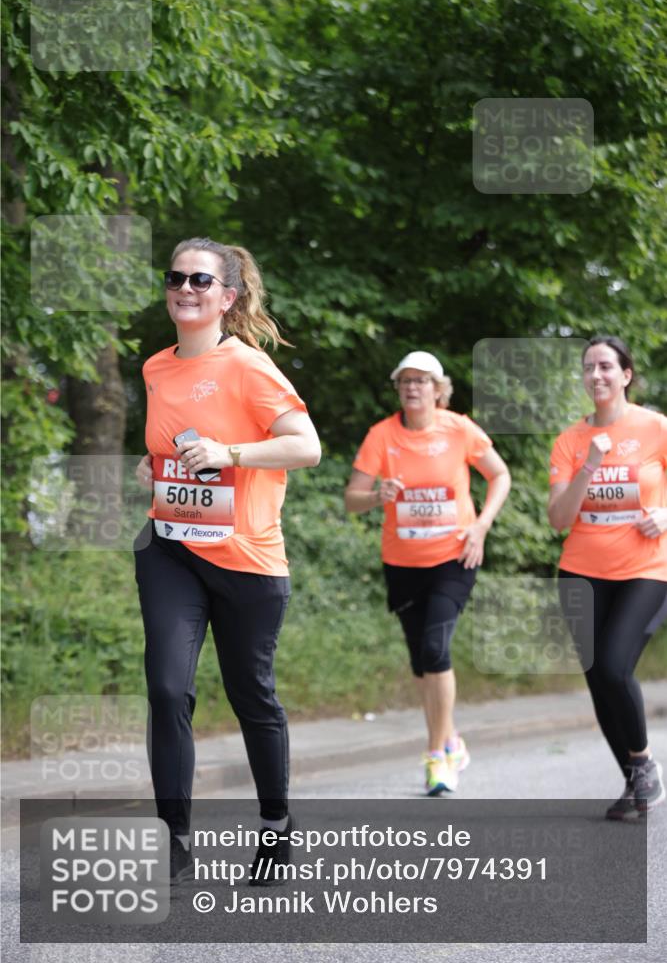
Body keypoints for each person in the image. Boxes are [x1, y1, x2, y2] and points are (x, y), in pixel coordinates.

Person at [134, 237, 320, 882]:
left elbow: (306, 446)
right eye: (176, 277)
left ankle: (275, 828)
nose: (185, 289)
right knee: (166, 688)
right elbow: (164, 447)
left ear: (227, 297)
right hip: (171, 550)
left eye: (201, 281)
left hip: (247, 560)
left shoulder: (248, 366)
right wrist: (152, 468)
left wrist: (229, 454)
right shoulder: (156, 367)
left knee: (252, 697)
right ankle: (174, 839)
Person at [344, 351, 511, 795]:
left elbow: (500, 476)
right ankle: (452, 738)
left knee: (437, 649)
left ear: (439, 389)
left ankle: (437, 757)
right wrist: (378, 495)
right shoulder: (382, 435)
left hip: (454, 558)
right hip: (402, 563)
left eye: (422, 381)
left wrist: (481, 526)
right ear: (398, 388)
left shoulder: (458, 429)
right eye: (406, 381)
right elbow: (351, 498)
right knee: (422, 663)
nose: (413, 387)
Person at [548, 335, 667, 821]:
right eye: (588, 368)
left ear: (626, 375)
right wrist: (589, 466)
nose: (595, 375)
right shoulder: (570, 441)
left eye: (605, 367)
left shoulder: (656, 427)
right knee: (599, 679)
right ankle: (636, 785)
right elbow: (559, 517)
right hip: (581, 573)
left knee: (615, 666)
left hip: (647, 570)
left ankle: (642, 764)